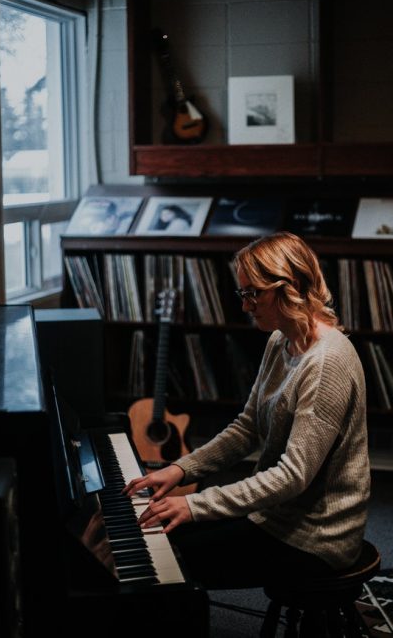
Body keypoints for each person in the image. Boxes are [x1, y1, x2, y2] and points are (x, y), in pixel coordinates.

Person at [123, 231, 371, 589]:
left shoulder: (326, 362)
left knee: (169, 553)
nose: (245, 305)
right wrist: (181, 469)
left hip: (316, 536)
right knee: (162, 535)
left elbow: (292, 476)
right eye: (243, 293)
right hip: (275, 515)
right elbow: (247, 427)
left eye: (254, 293)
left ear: (292, 286)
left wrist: (195, 505)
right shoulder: (279, 340)